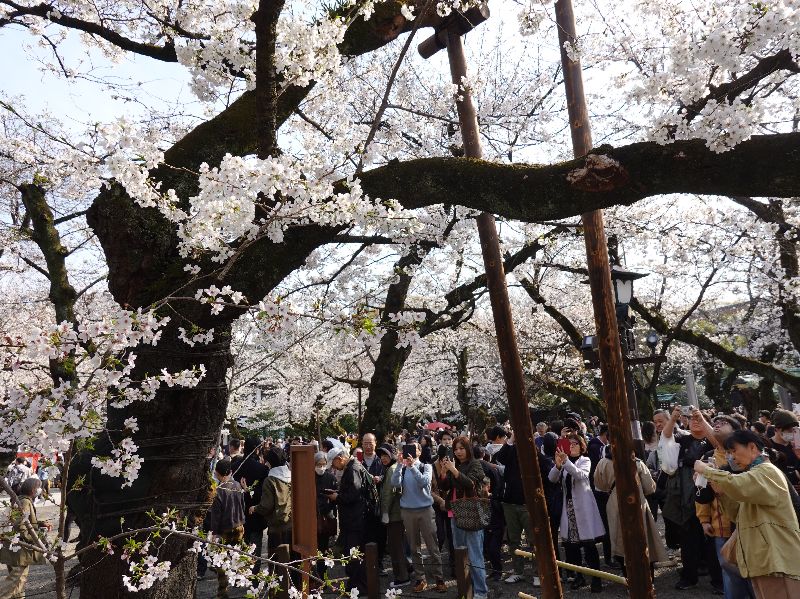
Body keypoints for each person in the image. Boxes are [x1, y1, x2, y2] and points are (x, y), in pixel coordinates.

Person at [694, 430, 800, 599]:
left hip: (776, 560)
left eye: (734, 451)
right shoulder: (756, 474)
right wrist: (718, 489)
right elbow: (737, 514)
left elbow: (739, 485)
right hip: (765, 559)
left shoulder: (767, 471)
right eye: (728, 453)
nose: (731, 457)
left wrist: (708, 471)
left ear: (752, 447)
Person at [695, 416, 754, 599]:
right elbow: (701, 493)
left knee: (754, 575)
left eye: (723, 423)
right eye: (715, 423)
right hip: (721, 526)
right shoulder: (707, 458)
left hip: (750, 526)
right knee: (731, 577)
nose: (717, 425)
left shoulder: (749, 457)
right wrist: (704, 520)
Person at [659, 406, 713, 590]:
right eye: (692, 419)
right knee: (688, 539)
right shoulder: (682, 439)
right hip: (685, 495)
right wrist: (672, 420)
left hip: (712, 495)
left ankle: (717, 579)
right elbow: (666, 439)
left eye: (699, 419)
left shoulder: (712, 441)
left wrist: (703, 419)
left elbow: (720, 443)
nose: (695, 422)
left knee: (713, 539)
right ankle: (689, 577)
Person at [593, 447, 668, 578]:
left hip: (615, 504)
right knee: (643, 540)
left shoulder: (603, 462)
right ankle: (648, 579)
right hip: (638, 504)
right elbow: (650, 488)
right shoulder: (638, 462)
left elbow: (599, 484)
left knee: (621, 543)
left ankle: (629, 579)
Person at [548, 433, 605, 592]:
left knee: (589, 545)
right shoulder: (565, 463)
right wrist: (558, 465)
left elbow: (581, 475)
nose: (571, 446)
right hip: (569, 508)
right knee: (572, 547)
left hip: (584, 507)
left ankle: (596, 578)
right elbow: (552, 478)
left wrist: (566, 462)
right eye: (569, 444)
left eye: (575, 444)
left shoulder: (585, 460)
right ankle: (579, 576)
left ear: (581, 446)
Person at [436, 437, 489, 599]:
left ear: (468, 449)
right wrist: (444, 474)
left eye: (462, 448)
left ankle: (481, 592)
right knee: (460, 554)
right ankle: (466, 589)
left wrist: (453, 470)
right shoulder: (455, 466)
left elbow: (470, 484)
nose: (458, 452)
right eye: (456, 449)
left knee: (474, 554)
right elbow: (444, 487)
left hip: (471, 513)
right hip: (455, 514)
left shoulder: (475, 464)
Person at [391, 442, 446, 594]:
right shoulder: (402, 469)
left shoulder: (425, 467)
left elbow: (424, 482)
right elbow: (394, 483)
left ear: (419, 452)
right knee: (414, 547)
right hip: (408, 511)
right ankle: (420, 579)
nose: (410, 452)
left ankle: (439, 578)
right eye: (408, 449)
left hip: (426, 510)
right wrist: (399, 465)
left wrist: (412, 466)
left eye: (414, 449)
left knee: (432, 545)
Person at [495, 426, 539, 586]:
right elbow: (500, 457)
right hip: (510, 502)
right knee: (514, 540)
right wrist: (511, 439)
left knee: (533, 540)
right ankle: (518, 571)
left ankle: (537, 573)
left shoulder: (534, 450)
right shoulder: (511, 450)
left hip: (527, 503)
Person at [327, 447, 368, 594]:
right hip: (353, 519)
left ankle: (359, 587)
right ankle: (355, 585)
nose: (334, 468)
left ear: (340, 459)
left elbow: (354, 494)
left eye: (333, 464)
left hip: (354, 520)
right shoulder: (352, 467)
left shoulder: (352, 469)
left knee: (354, 554)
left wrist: (337, 497)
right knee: (353, 554)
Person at [0, 478, 49, 599]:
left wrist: (40, 523)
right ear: (33, 489)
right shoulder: (25, 502)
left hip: (15, 546)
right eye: (39, 487)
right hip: (20, 547)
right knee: (16, 578)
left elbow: (24, 520)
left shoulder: (21, 499)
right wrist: (34, 539)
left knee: (20, 580)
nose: (40, 490)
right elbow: (21, 525)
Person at [208, 458, 246, 599]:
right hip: (239, 526)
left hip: (224, 530)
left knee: (222, 561)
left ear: (217, 474)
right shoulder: (237, 486)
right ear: (230, 472)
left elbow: (215, 517)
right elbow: (242, 506)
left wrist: (214, 533)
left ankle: (223, 591)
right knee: (235, 555)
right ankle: (236, 579)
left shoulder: (219, 491)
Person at [377, 443, 410, 588]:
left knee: (395, 547)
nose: (383, 458)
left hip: (394, 514)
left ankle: (402, 577)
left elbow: (388, 494)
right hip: (398, 513)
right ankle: (408, 569)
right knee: (399, 545)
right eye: (381, 456)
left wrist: (384, 512)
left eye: (386, 455)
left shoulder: (391, 469)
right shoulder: (392, 467)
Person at [250, 446, 292, 557]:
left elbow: (266, 506)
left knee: (278, 559)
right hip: (292, 523)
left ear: (269, 462)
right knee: (291, 558)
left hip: (276, 526)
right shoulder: (292, 476)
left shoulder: (270, 480)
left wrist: (255, 508)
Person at [237, 437, 271, 572]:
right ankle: (254, 572)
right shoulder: (261, 469)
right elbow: (262, 492)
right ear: (257, 449)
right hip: (255, 511)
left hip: (238, 510)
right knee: (255, 543)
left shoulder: (236, 465)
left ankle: (242, 571)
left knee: (242, 542)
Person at [360, 433, 386, 566]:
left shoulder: (381, 460)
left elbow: (387, 475)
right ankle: (366, 562)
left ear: (376, 443)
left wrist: (380, 478)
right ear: (362, 444)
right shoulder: (358, 460)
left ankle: (379, 562)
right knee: (364, 533)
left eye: (371, 443)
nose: (368, 446)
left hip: (378, 503)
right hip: (362, 503)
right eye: (365, 443)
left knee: (379, 534)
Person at [314, 451, 337, 583]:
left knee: (323, 548)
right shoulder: (309, 477)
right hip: (313, 517)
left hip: (326, 517)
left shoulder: (330, 478)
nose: (321, 467)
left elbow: (335, 500)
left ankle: (322, 577)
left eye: (323, 464)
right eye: (318, 464)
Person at [766, 409, 800, 486]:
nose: (792, 432)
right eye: (788, 429)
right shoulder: (768, 446)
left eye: (794, 429)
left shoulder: (797, 445)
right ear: (776, 429)